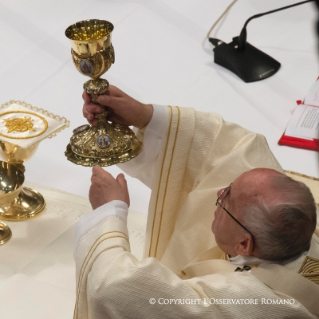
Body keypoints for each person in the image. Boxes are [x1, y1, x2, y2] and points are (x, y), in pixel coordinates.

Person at [74, 86, 319, 319]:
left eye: (226, 198)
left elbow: (115, 288)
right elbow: (231, 148)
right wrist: (147, 117)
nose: (217, 192)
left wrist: (109, 213)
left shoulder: (247, 304)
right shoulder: (284, 218)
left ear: (244, 244)